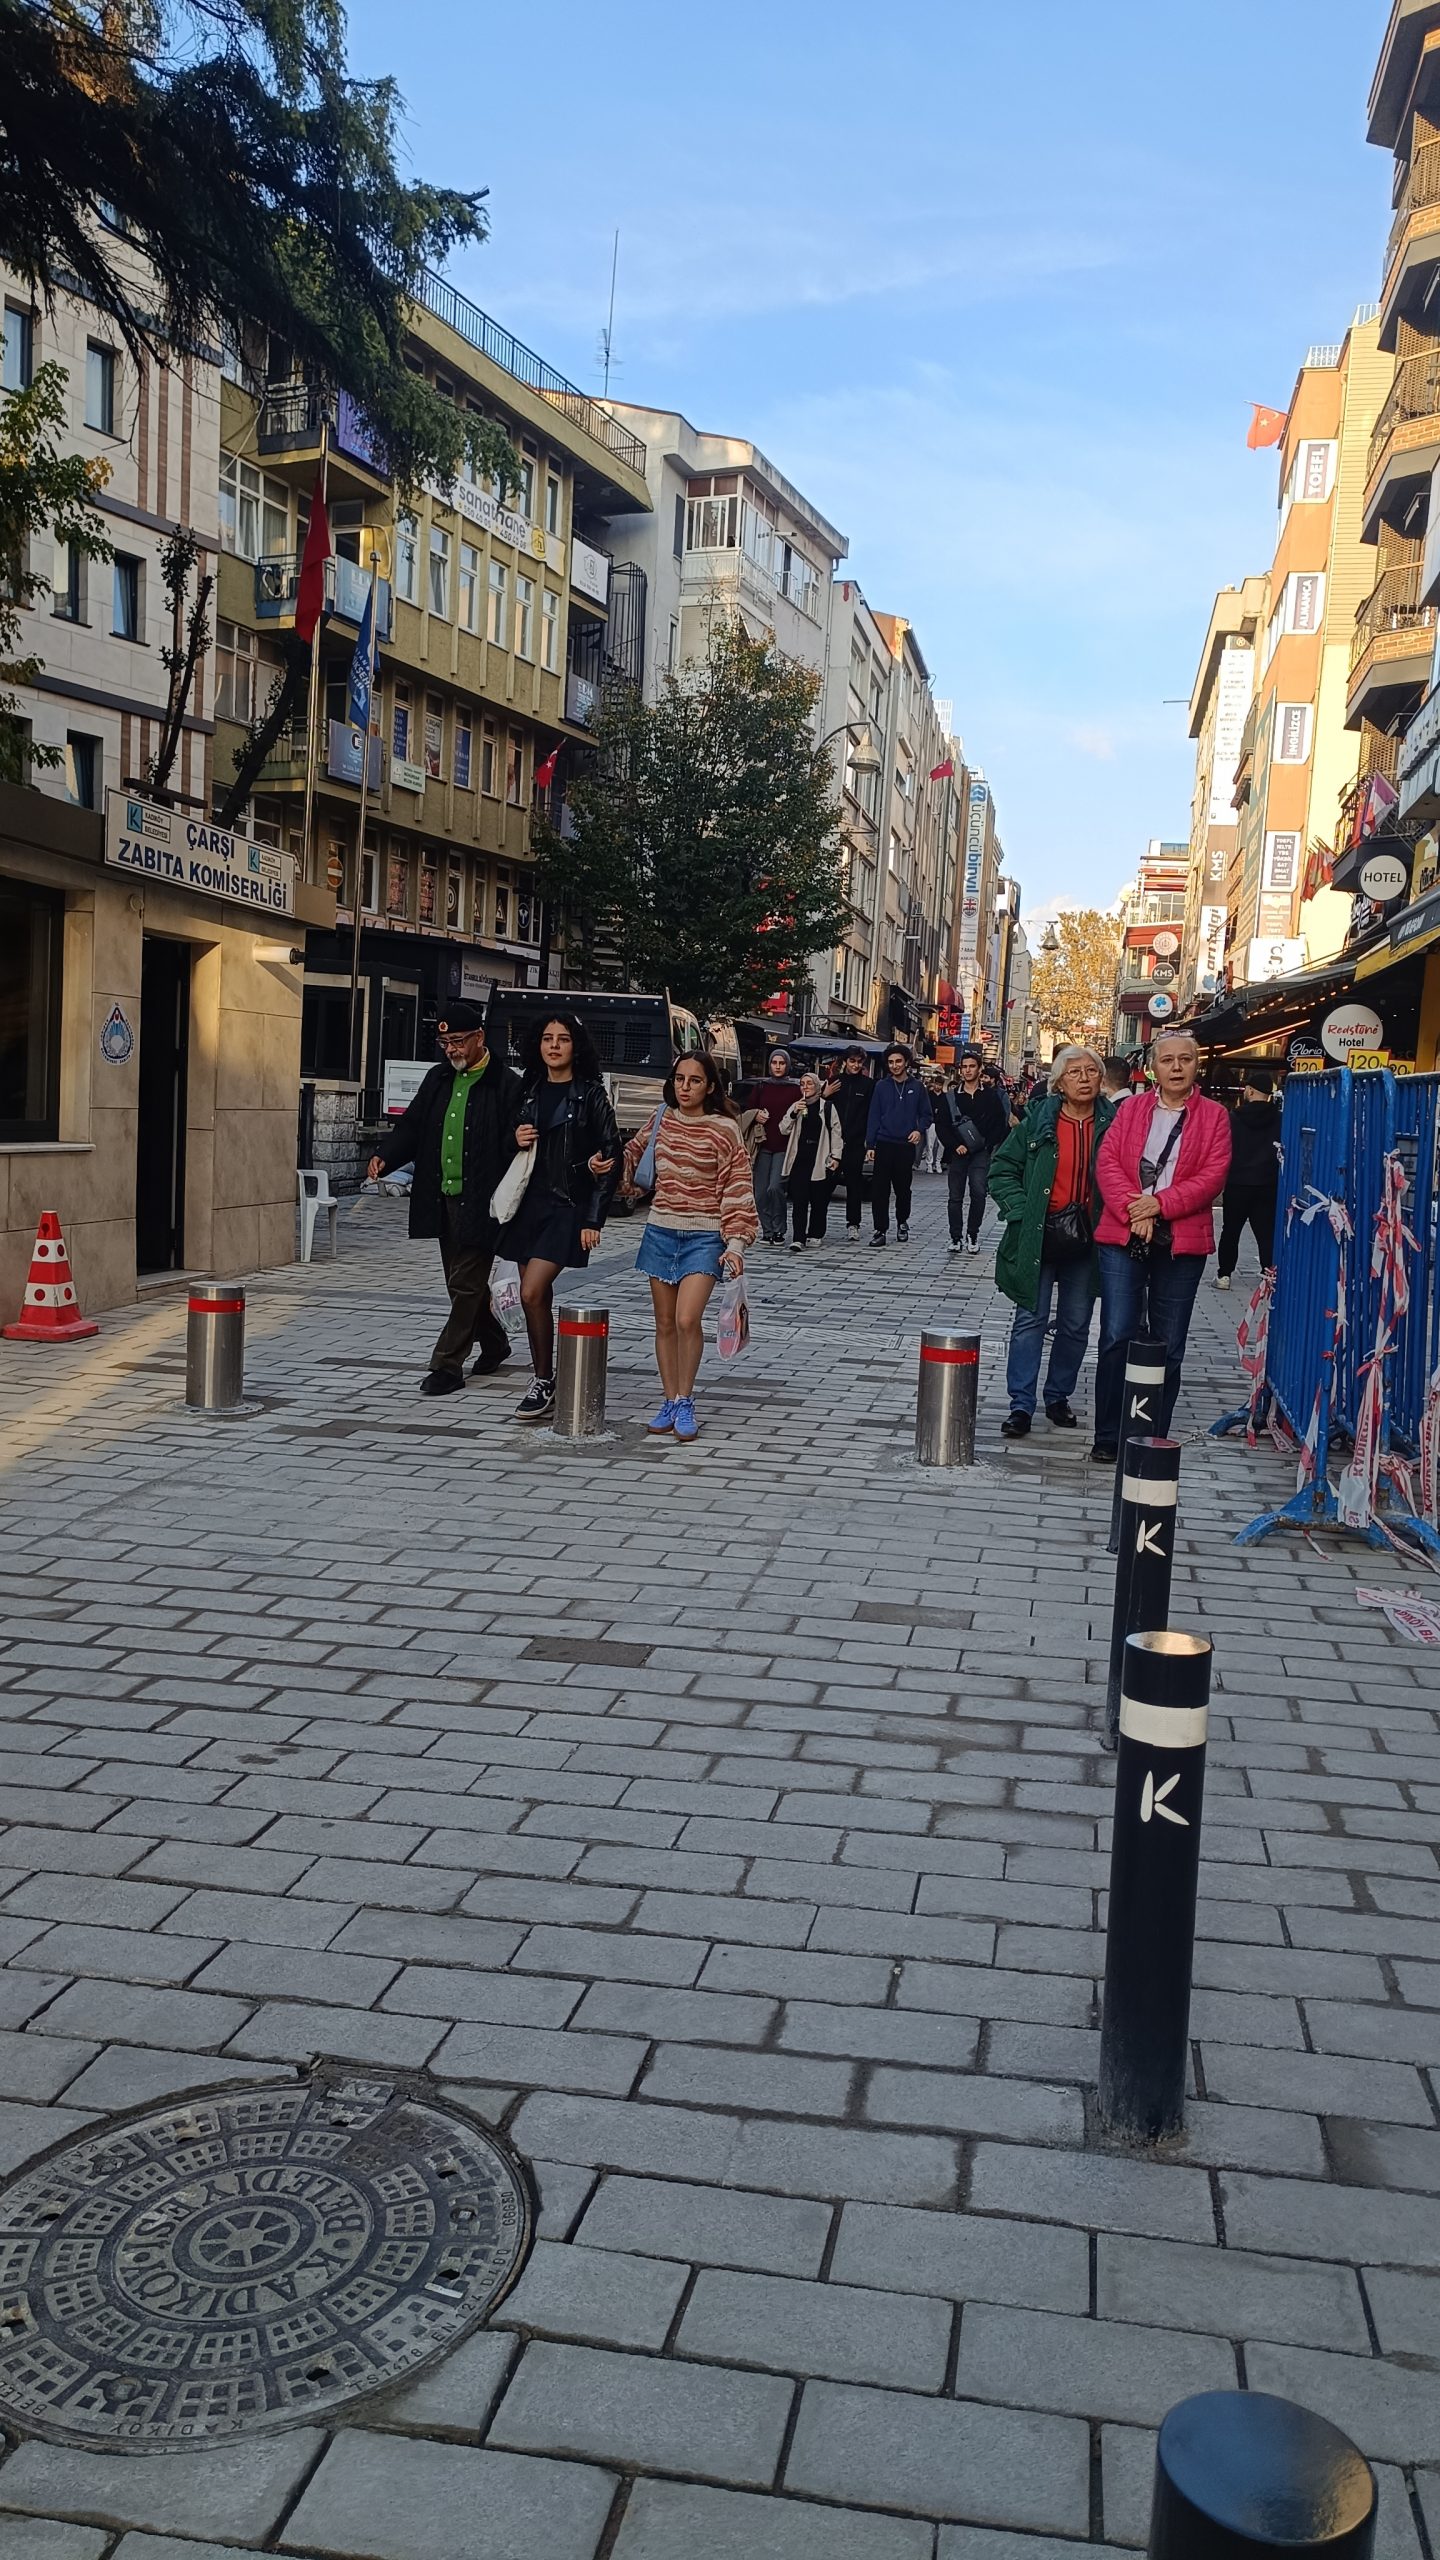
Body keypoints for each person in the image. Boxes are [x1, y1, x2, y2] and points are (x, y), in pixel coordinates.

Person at [366, 1001, 523, 1397]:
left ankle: (447, 1365)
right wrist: (386, 1155)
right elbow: (414, 1125)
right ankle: (495, 1343)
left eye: (458, 1041)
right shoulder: (438, 1078)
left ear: (479, 1037)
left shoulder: (505, 1084)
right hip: (442, 1197)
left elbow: (514, 1141)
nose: (452, 1049)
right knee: (460, 1284)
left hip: (485, 1201)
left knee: (466, 1283)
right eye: (445, 1043)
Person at [1091, 1028, 1232, 1460]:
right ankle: (1109, 1433)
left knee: (1169, 1341)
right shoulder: (1131, 1109)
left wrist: (1159, 1205)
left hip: (1180, 1240)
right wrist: (1135, 1211)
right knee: (1117, 1333)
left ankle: (1151, 1432)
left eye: (1184, 1060)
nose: (1176, 1067)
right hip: (1125, 1232)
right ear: (1153, 1068)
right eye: (1167, 1060)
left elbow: (1212, 1177)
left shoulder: (1215, 1116)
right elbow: (1108, 1163)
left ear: (1196, 1066)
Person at [622, 1049, 757, 1442]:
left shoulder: (724, 1128)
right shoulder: (662, 1117)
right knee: (664, 1323)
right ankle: (669, 1400)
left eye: (695, 1080)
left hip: (705, 1235)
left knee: (686, 1319)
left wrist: (736, 1244)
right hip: (660, 1230)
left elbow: (737, 1186)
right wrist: (607, 1166)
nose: (685, 1087)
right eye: (679, 1079)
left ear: (710, 1086)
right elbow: (631, 1157)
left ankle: (685, 1399)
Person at [989, 1046, 1116, 1438]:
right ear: (1059, 1082)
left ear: (1101, 1079)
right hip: (1039, 1235)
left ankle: (1058, 1396)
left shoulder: (1116, 1123)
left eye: (1091, 1071)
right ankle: (1021, 1405)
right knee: (1030, 1319)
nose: (1084, 1078)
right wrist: (1022, 1210)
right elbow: (1001, 1169)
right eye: (1074, 1072)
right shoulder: (1037, 1121)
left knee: (1075, 1324)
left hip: (1088, 1239)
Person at [499, 1012, 621, 1422]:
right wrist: (513, 1138)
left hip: (567, 1206)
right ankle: (543, 1377)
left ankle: (544, 1379)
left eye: (563, 1038)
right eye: (547, 1038)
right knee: (537, 1296)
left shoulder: (590, 1094)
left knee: (531, 1291)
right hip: (526, 1204)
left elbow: (611, 1154)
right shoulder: (527, 1089)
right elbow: (499, 1142)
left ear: (576, 1046)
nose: (554, 1045)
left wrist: (594, 1219)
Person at [933, 1050, 1011, 1256]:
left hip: (980, 1153)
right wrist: (954, 1145)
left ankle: (972, 1234)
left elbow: (999, 1123)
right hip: (957, 1153)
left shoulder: (991, 1096)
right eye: (964, 1067)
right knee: (955, 1196)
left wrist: (987, 1145)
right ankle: (955, 1237)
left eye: (972, 1066)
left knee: (978, 1193)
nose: (967, 1070)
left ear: (979, 1069)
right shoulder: (951, 1097)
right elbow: (941, 1125)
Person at [1216, 1070, 1283, 1290]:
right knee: (1266, 1232)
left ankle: (1224, 1275)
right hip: (1268, 1183)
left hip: (1238, 1182)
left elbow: (1224, 1148)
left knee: (1231, 1231)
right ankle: (1268, 1273)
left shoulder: (1234, 1118)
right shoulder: (1280, 1119)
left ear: (1251, 1091)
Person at [865, 1045, 932, 1245]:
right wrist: (870, 1145)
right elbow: (873, 1115)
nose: (894, 1065)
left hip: (905, 1145)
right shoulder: (881, 1086)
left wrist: (919, 1130)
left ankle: (902, 1222)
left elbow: (926, 1114)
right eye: (891, 1062)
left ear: (906, 1062)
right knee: (880, 1190)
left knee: (903, 1189)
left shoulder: (917, 1087)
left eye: (898, 1061)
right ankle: (880, 1229)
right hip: (884, 1143)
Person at [780, 1073, 843, 1249]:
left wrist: (836, 1156)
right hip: (800, 1159)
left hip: (820, 1157)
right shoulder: (797, 1106)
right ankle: (798, 1238)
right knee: (799, 1201)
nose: (805, 1087)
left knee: (818, 1200)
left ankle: (815, 1233)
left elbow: (836, 1132)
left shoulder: (827, 1107)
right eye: (802, 1084)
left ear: (817, 1086)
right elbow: (783, 1129)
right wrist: (794, 1113)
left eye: (809, 1084)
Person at [750, 1047, 801, 1246]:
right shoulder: (761, 1086)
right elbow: (747, 1110)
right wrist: (755, 1114)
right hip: (762, 1145)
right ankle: (767, 1230)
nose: (778, 1067)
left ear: (787, 1065)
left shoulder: (795, 1089)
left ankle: (779, 1229)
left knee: (775, 1188)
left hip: (784, 1146)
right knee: (760, 1192)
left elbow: (803, 1110)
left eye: (781, 1063)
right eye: (774, 1063)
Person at [826, 1048, 874, 1240]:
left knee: (854, 1185)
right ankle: (816, 1226)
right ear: (845, 1061)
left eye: (859, 1062)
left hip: (855, 1142)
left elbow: (871, 1115)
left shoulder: (868, 1085)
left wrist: (869, 1143)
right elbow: (819, 1109)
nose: (856, 1065)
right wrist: (824, 1094)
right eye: (852, 1061)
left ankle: (853, 1224)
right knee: (825, 1185)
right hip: (833, 1143)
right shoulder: (834, 1082)